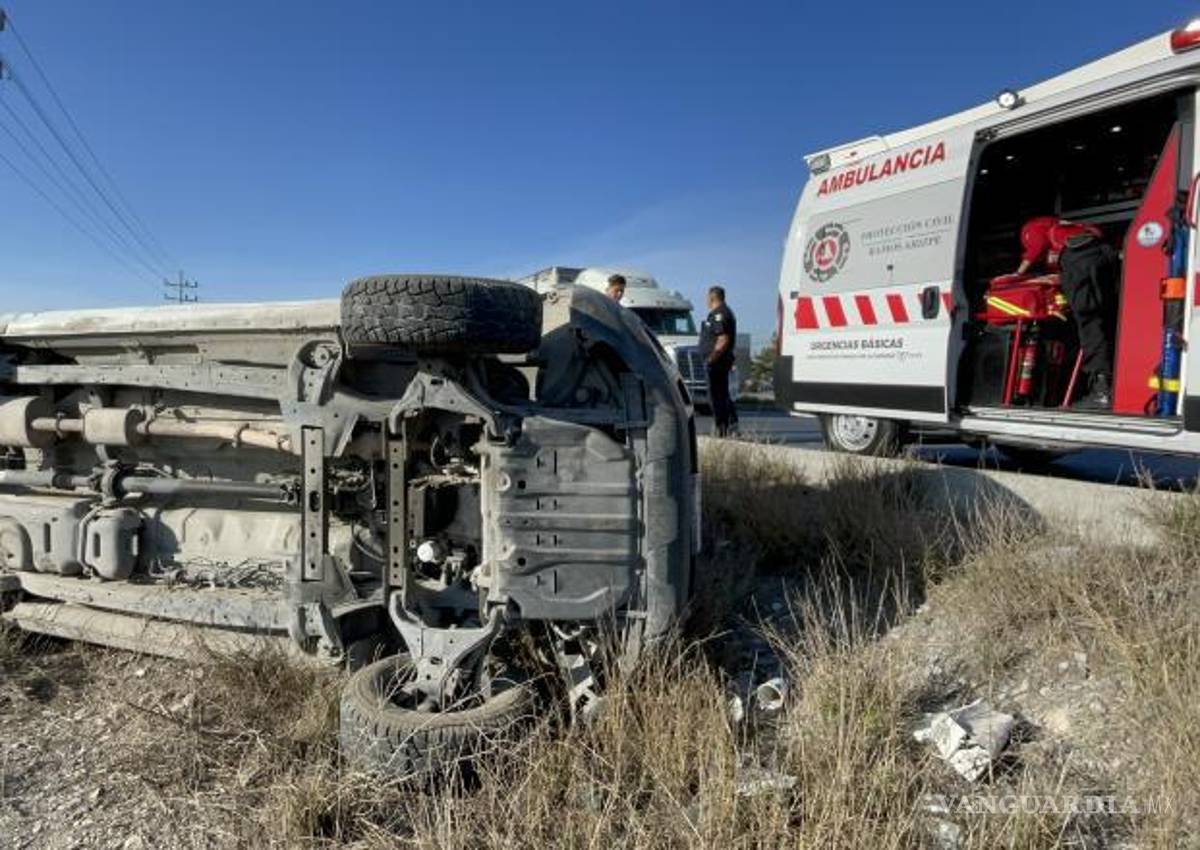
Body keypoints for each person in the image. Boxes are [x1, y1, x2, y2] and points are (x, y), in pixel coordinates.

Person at [1016, 216, 1118, 409]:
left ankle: (1102, 391)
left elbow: (1035, 247)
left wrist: (1017, 274)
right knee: (1105, 320)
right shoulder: (1072, 226)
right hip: (1105, 255)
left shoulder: (1032, 227)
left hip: (1081, 259)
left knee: (1090, 324)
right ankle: (1111, 386)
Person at [700, 285, 739, 436]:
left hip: (717, 363)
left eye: (707, 298)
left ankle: (721, 428)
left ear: (711, 297)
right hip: (721, 361)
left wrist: (711, 359)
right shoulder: (726, 312)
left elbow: (722, 339)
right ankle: (731, 425)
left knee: (717, 396)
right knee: (723, 394)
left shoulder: (719, 314)